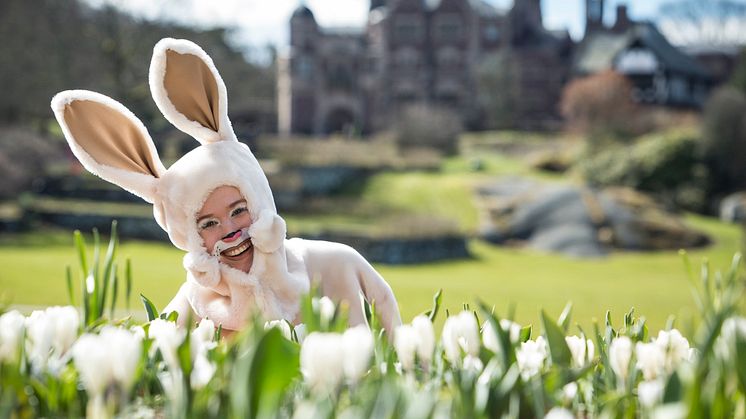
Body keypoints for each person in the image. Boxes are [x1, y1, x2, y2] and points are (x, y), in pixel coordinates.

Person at [51, 38, 401, 335]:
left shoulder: (335, 265)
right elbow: (152, 359)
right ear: (188, 235)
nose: (232, 232)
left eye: (238, 211)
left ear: (259, 198)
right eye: (208, 224)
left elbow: (399, 350)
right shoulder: (195, 302)